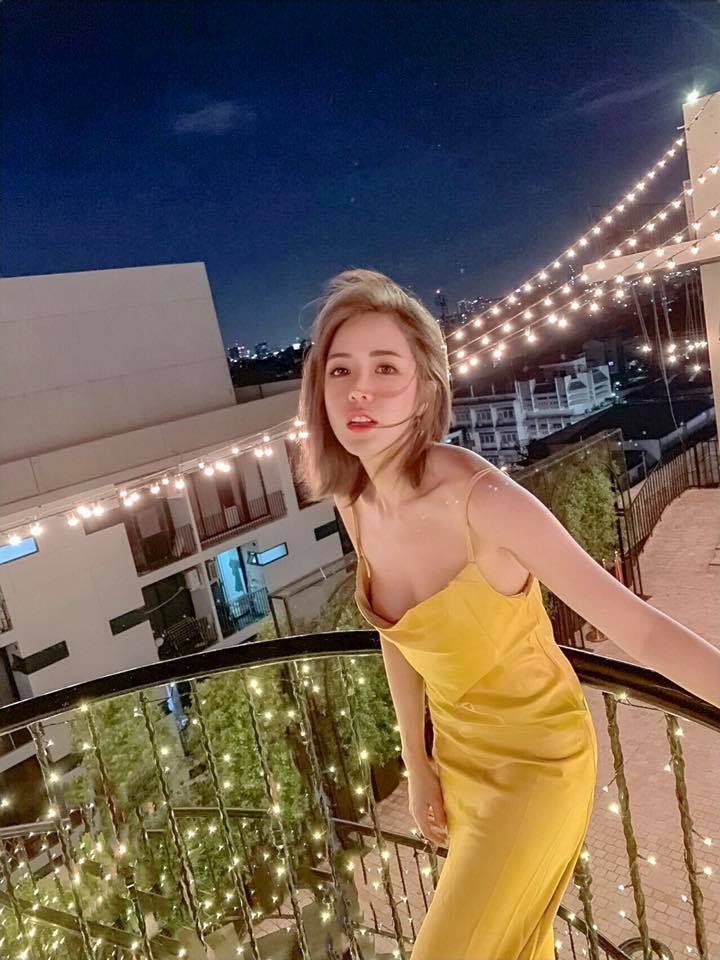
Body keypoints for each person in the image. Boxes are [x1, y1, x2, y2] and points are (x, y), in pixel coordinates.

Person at [296, 268, 720, 959]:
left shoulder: (485, 502)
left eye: (385, 367)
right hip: (460, 761)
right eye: (340, 370)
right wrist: (418, 762)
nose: (358, 390)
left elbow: (639, 626)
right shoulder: (355, 501)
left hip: (537, 765)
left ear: (425, 390)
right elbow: (397, 639)